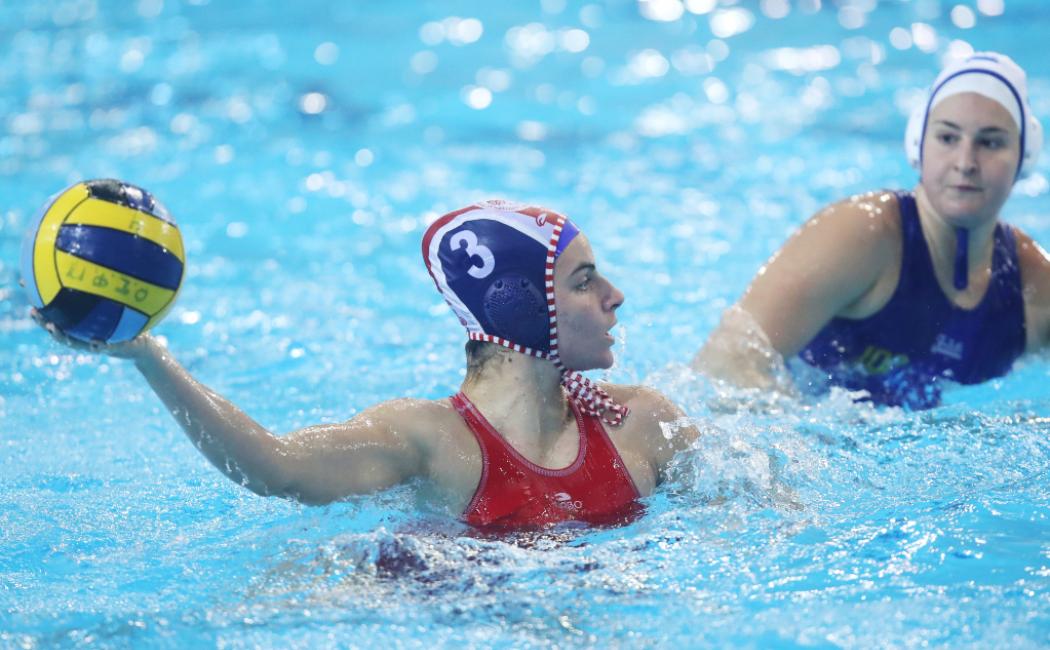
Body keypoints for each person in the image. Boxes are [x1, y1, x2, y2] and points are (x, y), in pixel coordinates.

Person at [33, 200, 698, 530]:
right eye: (584, 281)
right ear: (519, 307)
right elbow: (276, 468)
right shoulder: (429, 441)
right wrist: (149, 357)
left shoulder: (643, 424)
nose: (614, 295)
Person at [694, 52, 1048, 408]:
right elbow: (725, 364)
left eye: (990, 142)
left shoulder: (1032, 288)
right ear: (918, 143)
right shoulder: (863, 235)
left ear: (1025, 155)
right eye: (947, 138)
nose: (965, 162)